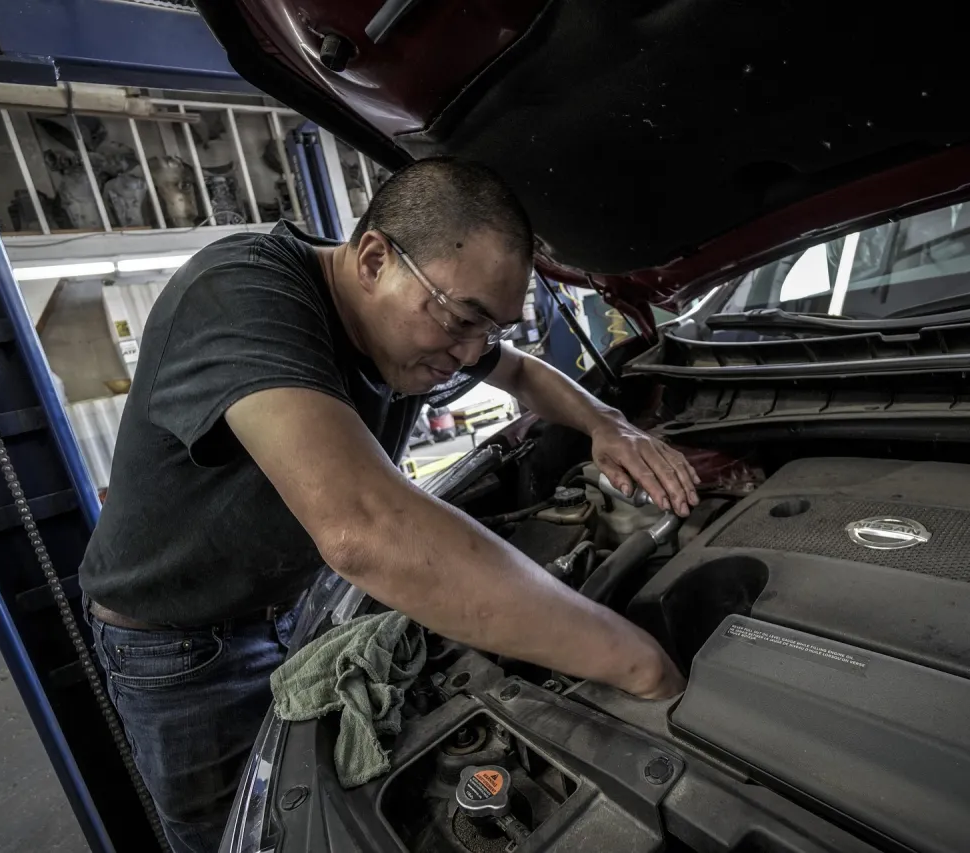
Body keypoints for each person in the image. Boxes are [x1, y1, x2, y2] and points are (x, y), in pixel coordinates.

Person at [78, 157, 696, 853]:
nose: (469, 354)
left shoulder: (409, 309)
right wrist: (634, 661)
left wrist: (604, 423)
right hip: (184, 647)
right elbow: (364, 530)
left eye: (489, 329)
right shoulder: (239, 296)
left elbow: (518, 370)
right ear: (374, 258)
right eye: (463, 320)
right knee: (241, 838)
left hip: (297, 601)